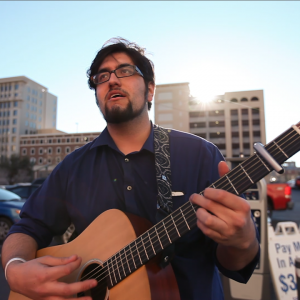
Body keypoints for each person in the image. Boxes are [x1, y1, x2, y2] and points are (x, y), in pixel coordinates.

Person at [1, 37, 259, 300]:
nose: (112, 80)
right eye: (102, 77)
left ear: (150, 90)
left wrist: (243, 241)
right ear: (98, 97)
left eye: (125, 71)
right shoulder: (73, 166)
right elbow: (27, 227)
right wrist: (15, 269)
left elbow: (234, 263)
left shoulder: (199, 155)